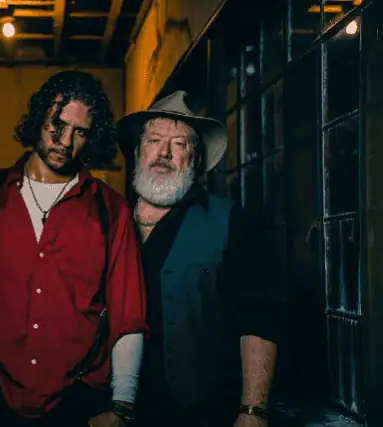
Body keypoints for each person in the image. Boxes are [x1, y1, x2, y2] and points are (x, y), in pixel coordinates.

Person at [0, 70, 148, 427]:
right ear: (38, 119)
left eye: (80, 132)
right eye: (57, 125)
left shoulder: (111, 210)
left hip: (78, 400)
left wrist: (122, 406)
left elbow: (129, 316)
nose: (65, 141)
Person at [116, 91, 280, 427]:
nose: (164, 153)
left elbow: (258, 317)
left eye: (179, 144)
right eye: (154, 140)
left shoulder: (231, 221)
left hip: (207, 414)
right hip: (122, 415)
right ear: (137, 151)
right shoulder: (108, 222)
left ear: (196, 159)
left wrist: (253, 410)